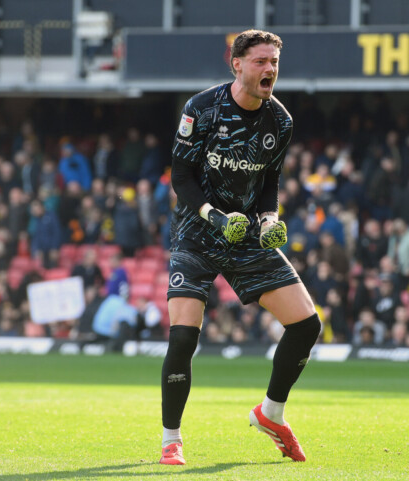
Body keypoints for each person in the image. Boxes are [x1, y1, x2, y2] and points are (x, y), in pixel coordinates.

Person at [159, 30, 319, 466]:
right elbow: (180, 178)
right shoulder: (201, 109)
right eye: (261, 61)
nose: (270, 69)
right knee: (183, 337)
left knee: (306, 325)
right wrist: (214, 216)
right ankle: (171, 439)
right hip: (196, 232)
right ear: (237, 65)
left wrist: (268, 219)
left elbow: (269, 183)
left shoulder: (280, 121)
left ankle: (271, 414)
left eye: (274, 62)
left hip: (244, 234)